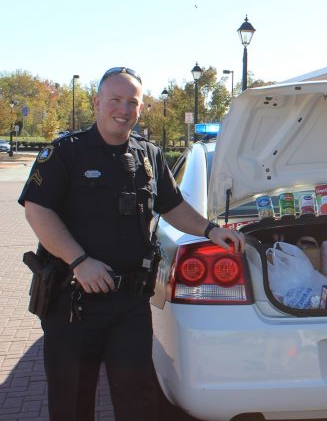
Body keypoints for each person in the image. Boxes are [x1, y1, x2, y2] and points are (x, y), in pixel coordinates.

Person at [18, 67, 246, 421]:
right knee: (72, 403)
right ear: (97, 103)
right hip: (73, 302)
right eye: (115, 100)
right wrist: (79, 261)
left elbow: (172, 207)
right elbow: (37, 209)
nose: (123, 109)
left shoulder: (149, 155)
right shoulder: (66, 152)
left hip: (130, 305)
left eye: (132, 102)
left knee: (137, 401)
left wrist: (211, 230)